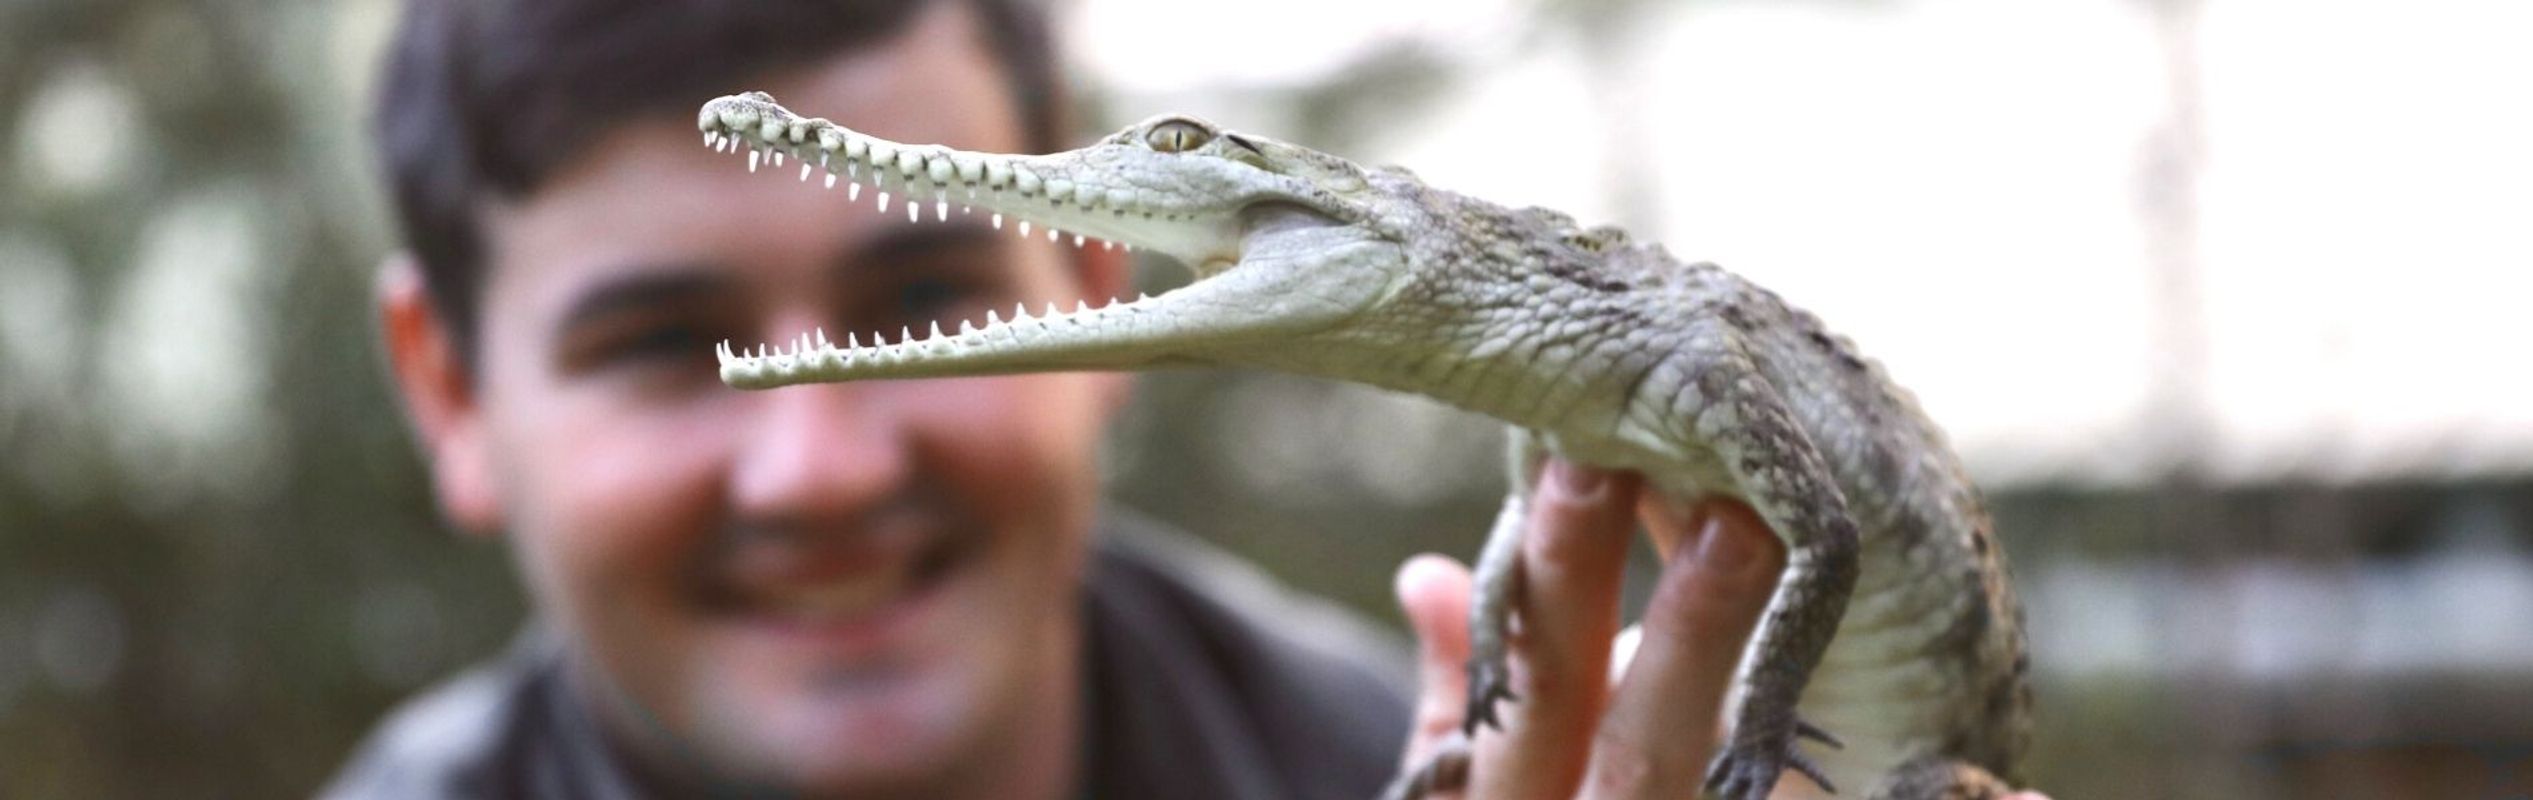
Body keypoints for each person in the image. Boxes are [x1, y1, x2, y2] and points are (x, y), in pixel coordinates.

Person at [334, 0, 2002, 798]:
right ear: (446, 392)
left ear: (1099, 286)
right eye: (660, 344)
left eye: (929, 286)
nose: (816, 466)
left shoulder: (1426, 759)